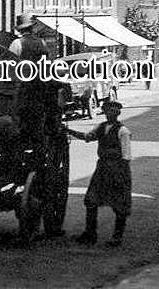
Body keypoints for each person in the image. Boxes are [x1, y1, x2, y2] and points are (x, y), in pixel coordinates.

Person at [68, 100, 132, 247]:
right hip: (102, 168)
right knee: (91, 200)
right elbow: (87, 137)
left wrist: (121, 176)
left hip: (117, 170)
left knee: (120, 205)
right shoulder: (101, 127)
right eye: (108, 111)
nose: (110, 114)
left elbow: (126, 156)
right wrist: (69, 131)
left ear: (118, 113)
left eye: (113, 111)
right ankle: (90, 234)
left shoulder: (123, 131)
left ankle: (117, 237)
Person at [9, 12, 50, 157]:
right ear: (32, 28)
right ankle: (38, 142)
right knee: (38, 115)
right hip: (39, 87)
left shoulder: (17, 44)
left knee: (18, 114)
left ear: (20, 30)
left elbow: (11, 67)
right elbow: (46, 64)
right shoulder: (42, 43)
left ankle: (19, 138)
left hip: (23, 89)